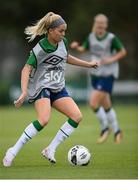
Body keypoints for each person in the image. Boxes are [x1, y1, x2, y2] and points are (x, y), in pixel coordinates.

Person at [3, 12, 98, 167]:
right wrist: (24, 92)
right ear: (51, 31)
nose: (63, 34)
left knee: (76, 116)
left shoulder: (63, 42)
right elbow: (26, 69)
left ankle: (50, 149)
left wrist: (88, 64)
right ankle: (13, 151)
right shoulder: (40, 48)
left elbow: (66, 57)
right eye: (61, 31)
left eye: (64, 31)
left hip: (58, 88)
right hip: (41, 87)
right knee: (44, 119)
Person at [70, 14, 127, 144]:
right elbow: (83, 48)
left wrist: (110, 59)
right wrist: (76, 46)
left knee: (93, 102)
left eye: (102, 25)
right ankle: (117, 130)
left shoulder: (112, 38)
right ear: (95, 25)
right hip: (95, 73)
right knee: (106, 105)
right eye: (98, 24)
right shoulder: (91, 37)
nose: (100, 27)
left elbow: (123, 52)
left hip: (108, 74)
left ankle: (104, 129)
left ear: (105, 25)